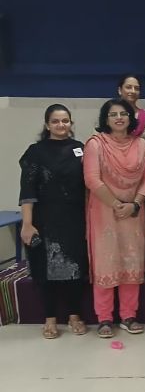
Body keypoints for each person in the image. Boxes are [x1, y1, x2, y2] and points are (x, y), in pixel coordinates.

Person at [18, 104, 88, 339]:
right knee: (44, 269)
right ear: (47, 125)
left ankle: (74, 315)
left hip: (75, 218)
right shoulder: (35, 152)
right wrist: (27, 224)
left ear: (71, 123)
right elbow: (27, 190)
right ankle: (49, 318)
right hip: (44, 219)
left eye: (65, 121)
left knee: (76, 268)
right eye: (56, 121)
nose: (61, 125)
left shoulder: (80, 149)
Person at [83, 98, 145, 338]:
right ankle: (104, 318)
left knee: (131, 262)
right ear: (106, 119)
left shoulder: (141, 145)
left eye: (124, 114)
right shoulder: (96, 144)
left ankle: (129, 316)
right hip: (104, 212)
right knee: (106, 262)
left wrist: (135, 204)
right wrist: (116, 204)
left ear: (131, 118)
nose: (119, 118)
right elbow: (92, 180)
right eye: (113, 114)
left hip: (133, 212)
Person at [117, 74, 145, 141]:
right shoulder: (110, 116)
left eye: (136, 88)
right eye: (128, 87)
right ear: (120, 90)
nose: (133, 91)